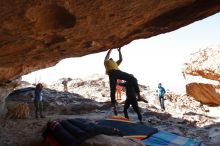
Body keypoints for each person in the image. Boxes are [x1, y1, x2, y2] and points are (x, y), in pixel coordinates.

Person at [104, 48, 146, 115]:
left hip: (118, 72)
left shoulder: (115, 63)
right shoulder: (106, 62)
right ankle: (114, 106)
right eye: (110, 58)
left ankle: (139, 96)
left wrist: (119, 51)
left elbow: (121, 59)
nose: (111, 59)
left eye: (112, 59)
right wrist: (111, 49)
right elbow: (107, 55)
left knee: (133, 79)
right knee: (112, 89)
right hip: (111, 74)